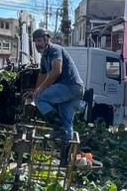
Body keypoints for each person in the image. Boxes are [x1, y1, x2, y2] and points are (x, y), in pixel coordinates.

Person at [29, 28, 85, 158]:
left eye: (39, 40)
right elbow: (42, 75)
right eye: (35, 41)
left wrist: (39, 91)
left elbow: (56, 71)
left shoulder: (55, 50)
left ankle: (57, 127)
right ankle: (65, 159)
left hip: (70, 86)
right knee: (68, 124)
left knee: (40, 98)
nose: (37, 44)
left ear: (47, 39)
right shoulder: (44, 57)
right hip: (75, 90)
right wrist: (35, 90)